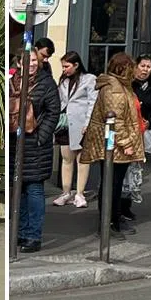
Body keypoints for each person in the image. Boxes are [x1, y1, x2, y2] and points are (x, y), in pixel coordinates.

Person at [79, 52, 146, 242]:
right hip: (114, 146)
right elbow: (115, 120)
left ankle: (114, 219)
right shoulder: (114, 89)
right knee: (111, 185)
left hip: (116, 145)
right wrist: (126, 143)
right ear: (124, 69)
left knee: (114, 185)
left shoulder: (120, 86)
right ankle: (108, 223)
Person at [10, 51, 60, 253]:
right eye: (26, 60)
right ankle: (21, 233)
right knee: (19, 191)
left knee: (34, 190)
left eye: (33, 60)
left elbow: (53, 112)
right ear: (19, 62)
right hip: (15, 143)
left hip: (35, 144)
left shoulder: (46, 83)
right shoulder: (11, 81)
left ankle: (33, 236)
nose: (30, 63)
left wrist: (41, 137)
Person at [52, 51, 97, 209]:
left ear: (76, 65)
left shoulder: (89, 79)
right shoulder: (63, 81)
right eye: (63, 66)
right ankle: (66, 192)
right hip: (65, 124)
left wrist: (88, 123)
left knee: (82, 160)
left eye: (67, 66)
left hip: (81, 123)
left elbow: (93, 102)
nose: (64, 69)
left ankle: (79, 193)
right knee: (66, 159)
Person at [120, 56, 151, 225]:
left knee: (134, 169)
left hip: (143, 132)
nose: (145, 70)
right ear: (135, 66)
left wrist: (150, 121)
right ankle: (118, 207)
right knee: (123, 170)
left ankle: (126, 206)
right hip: (128, 132)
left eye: (148, 67)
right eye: (142, 66)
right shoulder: (128, 85)